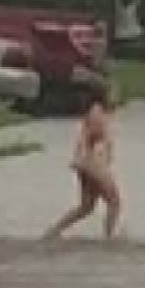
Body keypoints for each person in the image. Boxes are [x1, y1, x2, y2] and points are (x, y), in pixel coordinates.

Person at [43, 90, 122, 240]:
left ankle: (54, 231)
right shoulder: (97, 113)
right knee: (114, 202)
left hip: (88, 162)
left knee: (86, 206)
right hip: (94, 163)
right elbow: (91, 137)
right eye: (113, 93)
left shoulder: (99, 113)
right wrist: (91, 157)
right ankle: (109, 237)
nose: (116, 96)